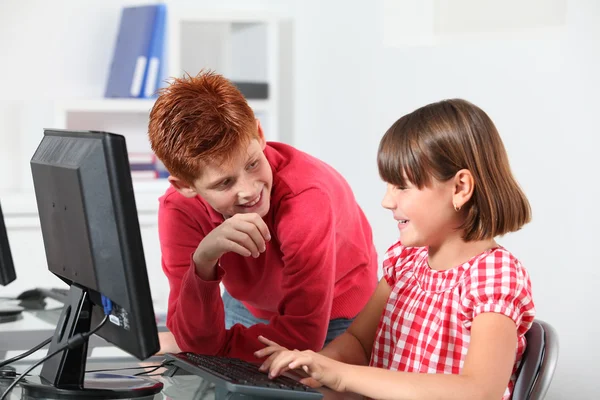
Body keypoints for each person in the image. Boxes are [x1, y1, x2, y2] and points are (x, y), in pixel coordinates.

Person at [257, 99, 535, 400]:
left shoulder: (495, 278)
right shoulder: (405, 263)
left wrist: (341, 376)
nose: (387, 201)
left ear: (460, 188)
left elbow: (478, 391)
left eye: (401, 187)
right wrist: (310, 369)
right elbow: (359, 345)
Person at [147, 71, 378, 362]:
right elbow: (193, 338)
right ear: (186, 186)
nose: (248, 191)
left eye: (253, 163)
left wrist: (214, 347)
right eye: (224, 183)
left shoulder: (306, 198)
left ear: (259, 134)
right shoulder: (179, 208)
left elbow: (301, 336)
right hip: (250, 302)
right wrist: (203, 261)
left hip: (333, 313)